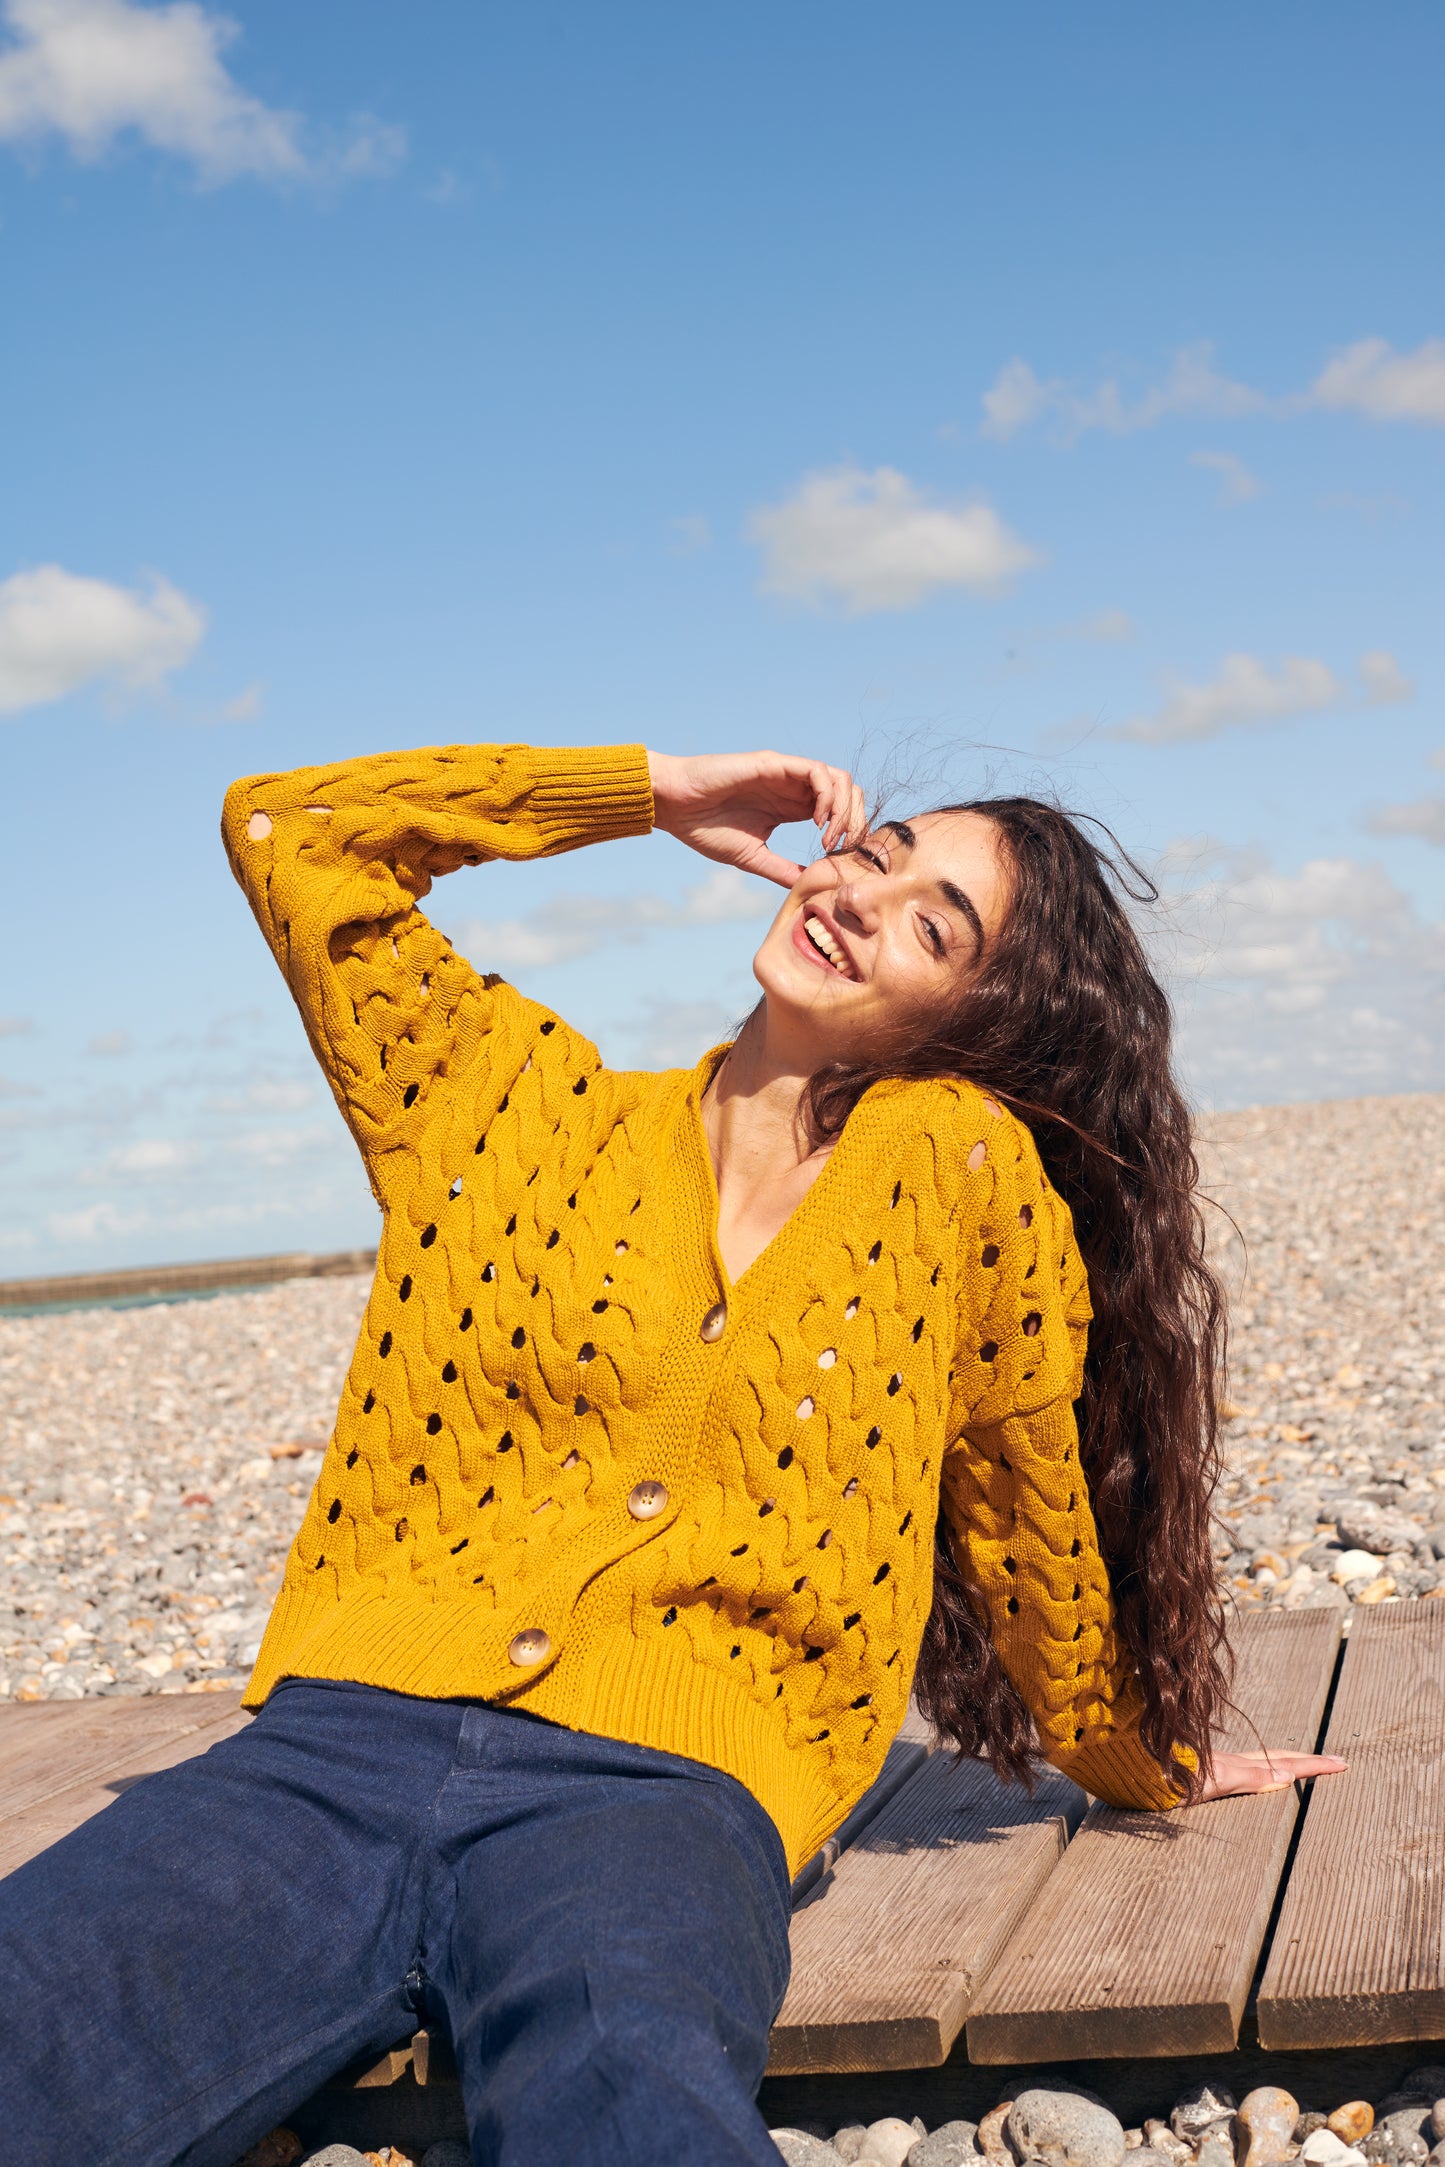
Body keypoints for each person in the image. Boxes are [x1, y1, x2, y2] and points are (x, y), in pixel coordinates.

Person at [0, 741, 1344, 2167]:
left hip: (663, 1790)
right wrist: (642, 793)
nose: (862, 899)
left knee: (629, 2093)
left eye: (933, 923)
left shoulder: (953, 1167)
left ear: (975, 1014)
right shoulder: (509, 1108)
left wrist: (1135, 1754)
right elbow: (289, 829)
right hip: (333, 1747)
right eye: (872, 856)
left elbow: (1025, 1513)